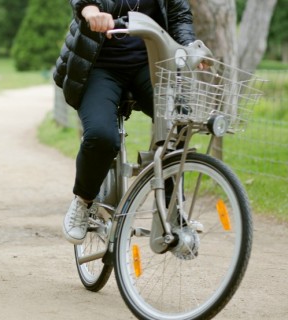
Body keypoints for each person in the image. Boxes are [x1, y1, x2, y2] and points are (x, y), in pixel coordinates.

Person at [53, 0, 199, 244]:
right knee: (101, 136)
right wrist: (91, 12)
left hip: (150, 65)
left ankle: (172, 208)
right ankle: (83, 201)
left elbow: (179, 16)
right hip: (99, 66)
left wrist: (189, 49)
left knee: (180, 120)